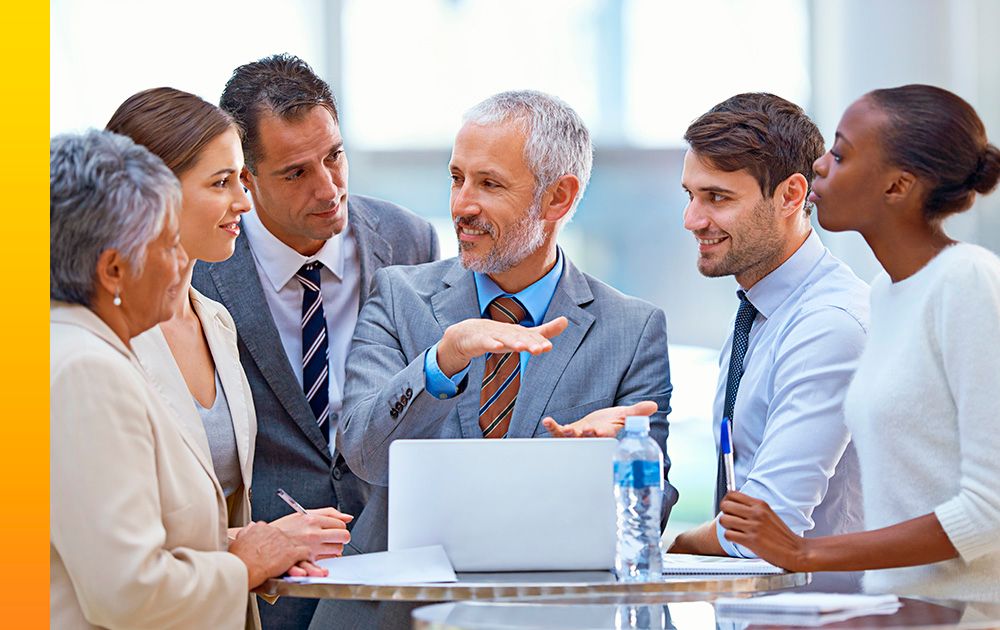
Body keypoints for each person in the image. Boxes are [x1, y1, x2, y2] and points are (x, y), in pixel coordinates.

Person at [309, 90, 676, 629]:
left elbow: (654, 505)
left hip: (557, 618)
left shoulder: (633, 328)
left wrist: (606, 462)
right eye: (457, 178)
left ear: (558, 198)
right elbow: (361, 451)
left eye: (489, 183)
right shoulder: (398, 295)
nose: (462, 205)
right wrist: (441, 362)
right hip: (395, 616)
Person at [719, 84, 1000, 602]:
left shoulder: (967, 282)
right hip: (898, 608)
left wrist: (807, 554)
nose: (820, 166)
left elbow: (990, 511)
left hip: (967, 613)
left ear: (897, 187)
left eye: (841, 154)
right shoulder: (885, 295)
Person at [191, 54, 439, 630]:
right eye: (296, 172)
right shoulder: (202, 265)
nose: (329, 188)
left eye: (335, 156)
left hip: (390, 571)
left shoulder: (409, 239)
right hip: (265, 585)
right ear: (245, 178)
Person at [50, 130, 321, 630]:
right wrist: (244, 564)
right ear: (112, 269)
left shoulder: (80, 350)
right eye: (165, 244)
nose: (180, 264)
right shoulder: (87, 369)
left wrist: (235, 544)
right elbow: (128, 592)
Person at [106, 89, 352, 573]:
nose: (244, 201)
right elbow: (112, 545)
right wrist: (260, 545)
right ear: (150, 196)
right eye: (222, 183)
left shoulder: (216, 321)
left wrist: (270, 554)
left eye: (240, 179)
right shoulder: (102, 341)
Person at [667, 93, 869, 571]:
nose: (692, 220)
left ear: (791, 196)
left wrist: (675, 548)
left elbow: (767, 527)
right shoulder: (759, 314)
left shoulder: (829, 324)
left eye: (717, 197)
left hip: (823, 619)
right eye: (690, 195)